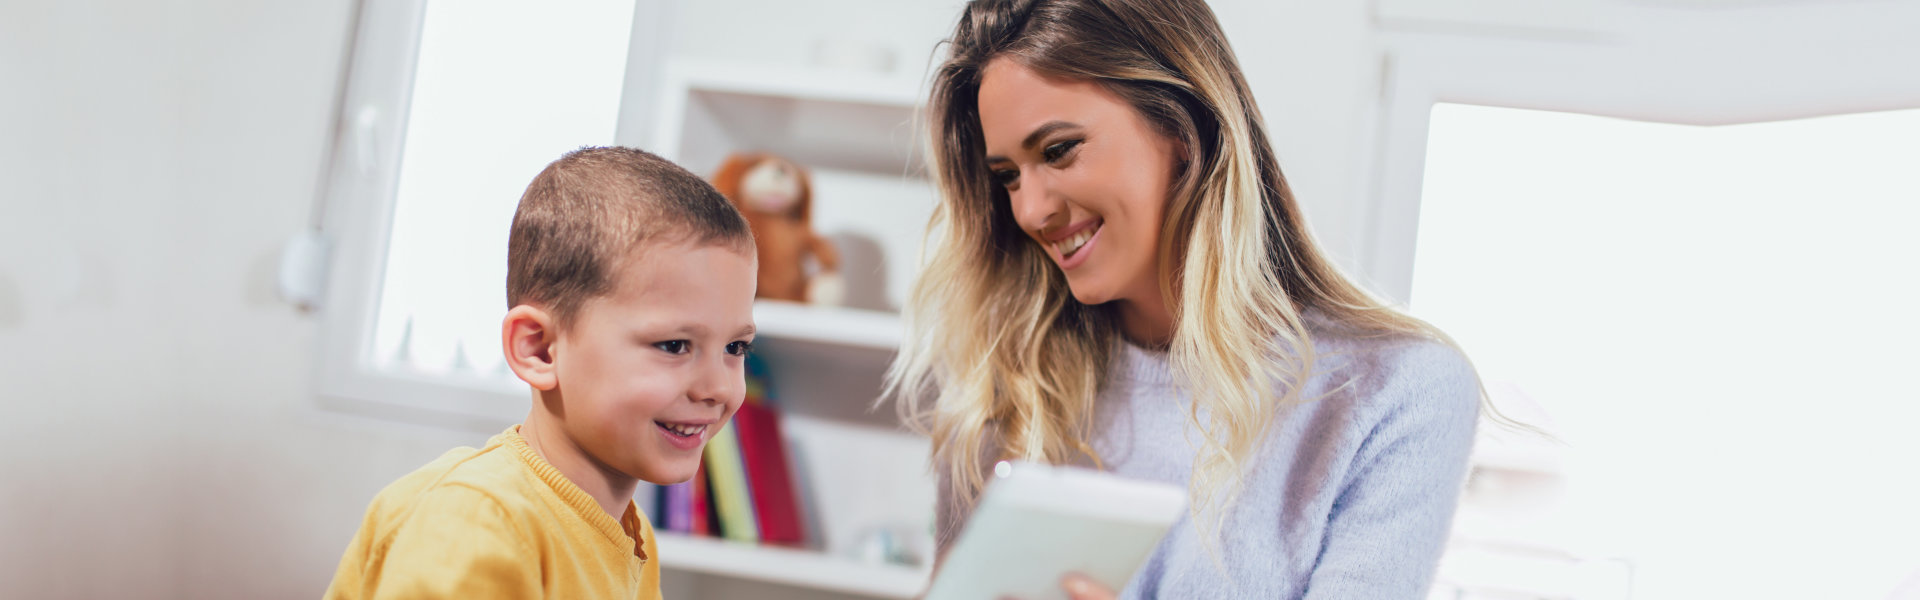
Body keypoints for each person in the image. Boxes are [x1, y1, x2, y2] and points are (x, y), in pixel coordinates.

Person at [888, 1, 1487, 598]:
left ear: (1180, 124)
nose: (1030, 209)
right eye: (1007, 176)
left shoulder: (1396, 392)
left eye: (1058, 150)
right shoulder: (1009, 389)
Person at [325, 147, 759, 599]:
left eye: (735, 347)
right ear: (539, 349)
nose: (718, 387)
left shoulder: (631, 530)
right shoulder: (475, 519)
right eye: (673, 345)